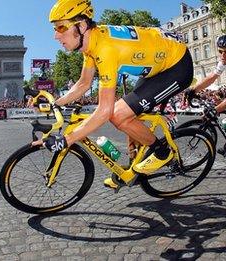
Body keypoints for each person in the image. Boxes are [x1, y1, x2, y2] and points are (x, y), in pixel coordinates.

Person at [35, 0, 194, 190]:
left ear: (82, 25)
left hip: (177, 67)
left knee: (118, 115)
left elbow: (104, 111)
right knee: (127, 113)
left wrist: (66, 140)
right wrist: (56, 103)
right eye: (55, 28)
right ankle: (133, 166)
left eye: (61, 27)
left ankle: (162, 152)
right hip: (157, 65)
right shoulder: (91, 42)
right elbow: (84, 83)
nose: (55, 35)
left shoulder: (105, 49)